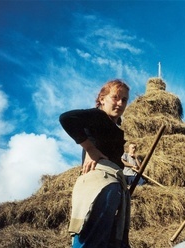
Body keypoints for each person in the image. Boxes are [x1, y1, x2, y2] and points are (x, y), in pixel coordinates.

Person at [59, 79, 131, 248]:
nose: (120, 103)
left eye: (124, 99)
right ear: (102, 99)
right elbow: (67, 118)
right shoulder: (99, 116)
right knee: (91, 241)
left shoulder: (114, 127)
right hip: (101, 185)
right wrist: (89, 148)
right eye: (115, 97)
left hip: (113, 185)